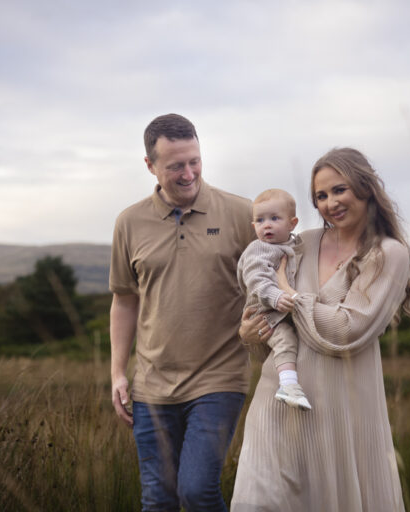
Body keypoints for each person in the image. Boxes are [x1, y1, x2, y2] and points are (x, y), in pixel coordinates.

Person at [231, 147, 410, 512]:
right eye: (321, 195)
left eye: (340, 190)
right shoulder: (301, 243)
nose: (330, 202)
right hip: (277, 402)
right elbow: (266, 317)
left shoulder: (387, 254)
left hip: (340, 413)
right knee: (257, 502)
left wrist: (290, 296)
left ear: (365, 188)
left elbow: (346, 332)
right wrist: (248, 334)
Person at [109, 113, 255, 512]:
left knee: (196, 491)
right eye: (175, 166)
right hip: (152, 385)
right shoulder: (129, 222)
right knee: (158, 499)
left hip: (219, 377)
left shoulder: (243, 215)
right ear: (150, 166)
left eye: (195, 161)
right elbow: (124, 299)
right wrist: (119, 372)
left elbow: (279, 273)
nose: (189, 173)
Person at [237, 189, 311, 410]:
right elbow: (256, 279)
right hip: (265, 310)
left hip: (281, 308)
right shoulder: (259, 249)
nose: (266, 225)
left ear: (292, 223)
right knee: (285, 340)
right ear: (254, 226)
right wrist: (275, 296)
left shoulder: (292, 245)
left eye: (274, 219)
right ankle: (288, 386)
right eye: (260, 220)